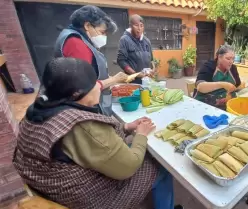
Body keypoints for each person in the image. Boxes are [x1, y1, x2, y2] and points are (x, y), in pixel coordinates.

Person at [13, 58, 183, 209]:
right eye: (94, 83)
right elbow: (128, 167)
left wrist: (126, 127)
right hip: (92, 199)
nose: (99, 86)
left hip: (50, 189)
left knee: (131, 145)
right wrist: (141, 134)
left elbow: (91, 144)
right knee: (160, 164)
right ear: (77, 94)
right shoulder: (81, 126)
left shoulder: (36, 110)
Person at [54, 5, 129, 116]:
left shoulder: (74, 37)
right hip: (86, 107)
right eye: (102, 32)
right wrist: (114, 79)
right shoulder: (76, 44)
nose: (104, 37)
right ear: (87, 25)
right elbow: (84, 87)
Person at [193, 45, 241, 110]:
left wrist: (228, 97)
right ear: (219, 57)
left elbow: (237, 87)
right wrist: (223, 84)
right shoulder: (208, 66)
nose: (231, 62)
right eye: (228, 59)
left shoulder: (233, 68)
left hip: (225, 106)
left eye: (233, 59)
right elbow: (200, 87)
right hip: (205, 105)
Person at [117, 14, 155, 84]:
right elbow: (121, 61)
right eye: (136, 25)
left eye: (141, 25)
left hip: (146, 80)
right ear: (130, 26)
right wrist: (136, 74)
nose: (139, 28)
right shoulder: (125, 40)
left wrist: (153, 70)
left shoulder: (147, 41)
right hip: (133, 82)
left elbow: (152, 60)